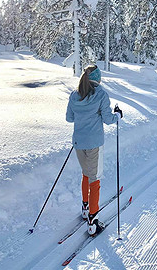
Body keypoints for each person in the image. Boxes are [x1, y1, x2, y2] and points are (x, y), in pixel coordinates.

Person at [66, 65, 122, 235]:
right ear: (97, 79)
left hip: (78, 142)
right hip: (94, 143)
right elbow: (108, 119)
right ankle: (93, 221)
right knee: (94, 179)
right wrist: (118, 115)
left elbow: (69, 118)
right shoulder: (101, 94)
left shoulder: (75, 95)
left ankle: (85, 208)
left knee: (85, 174)